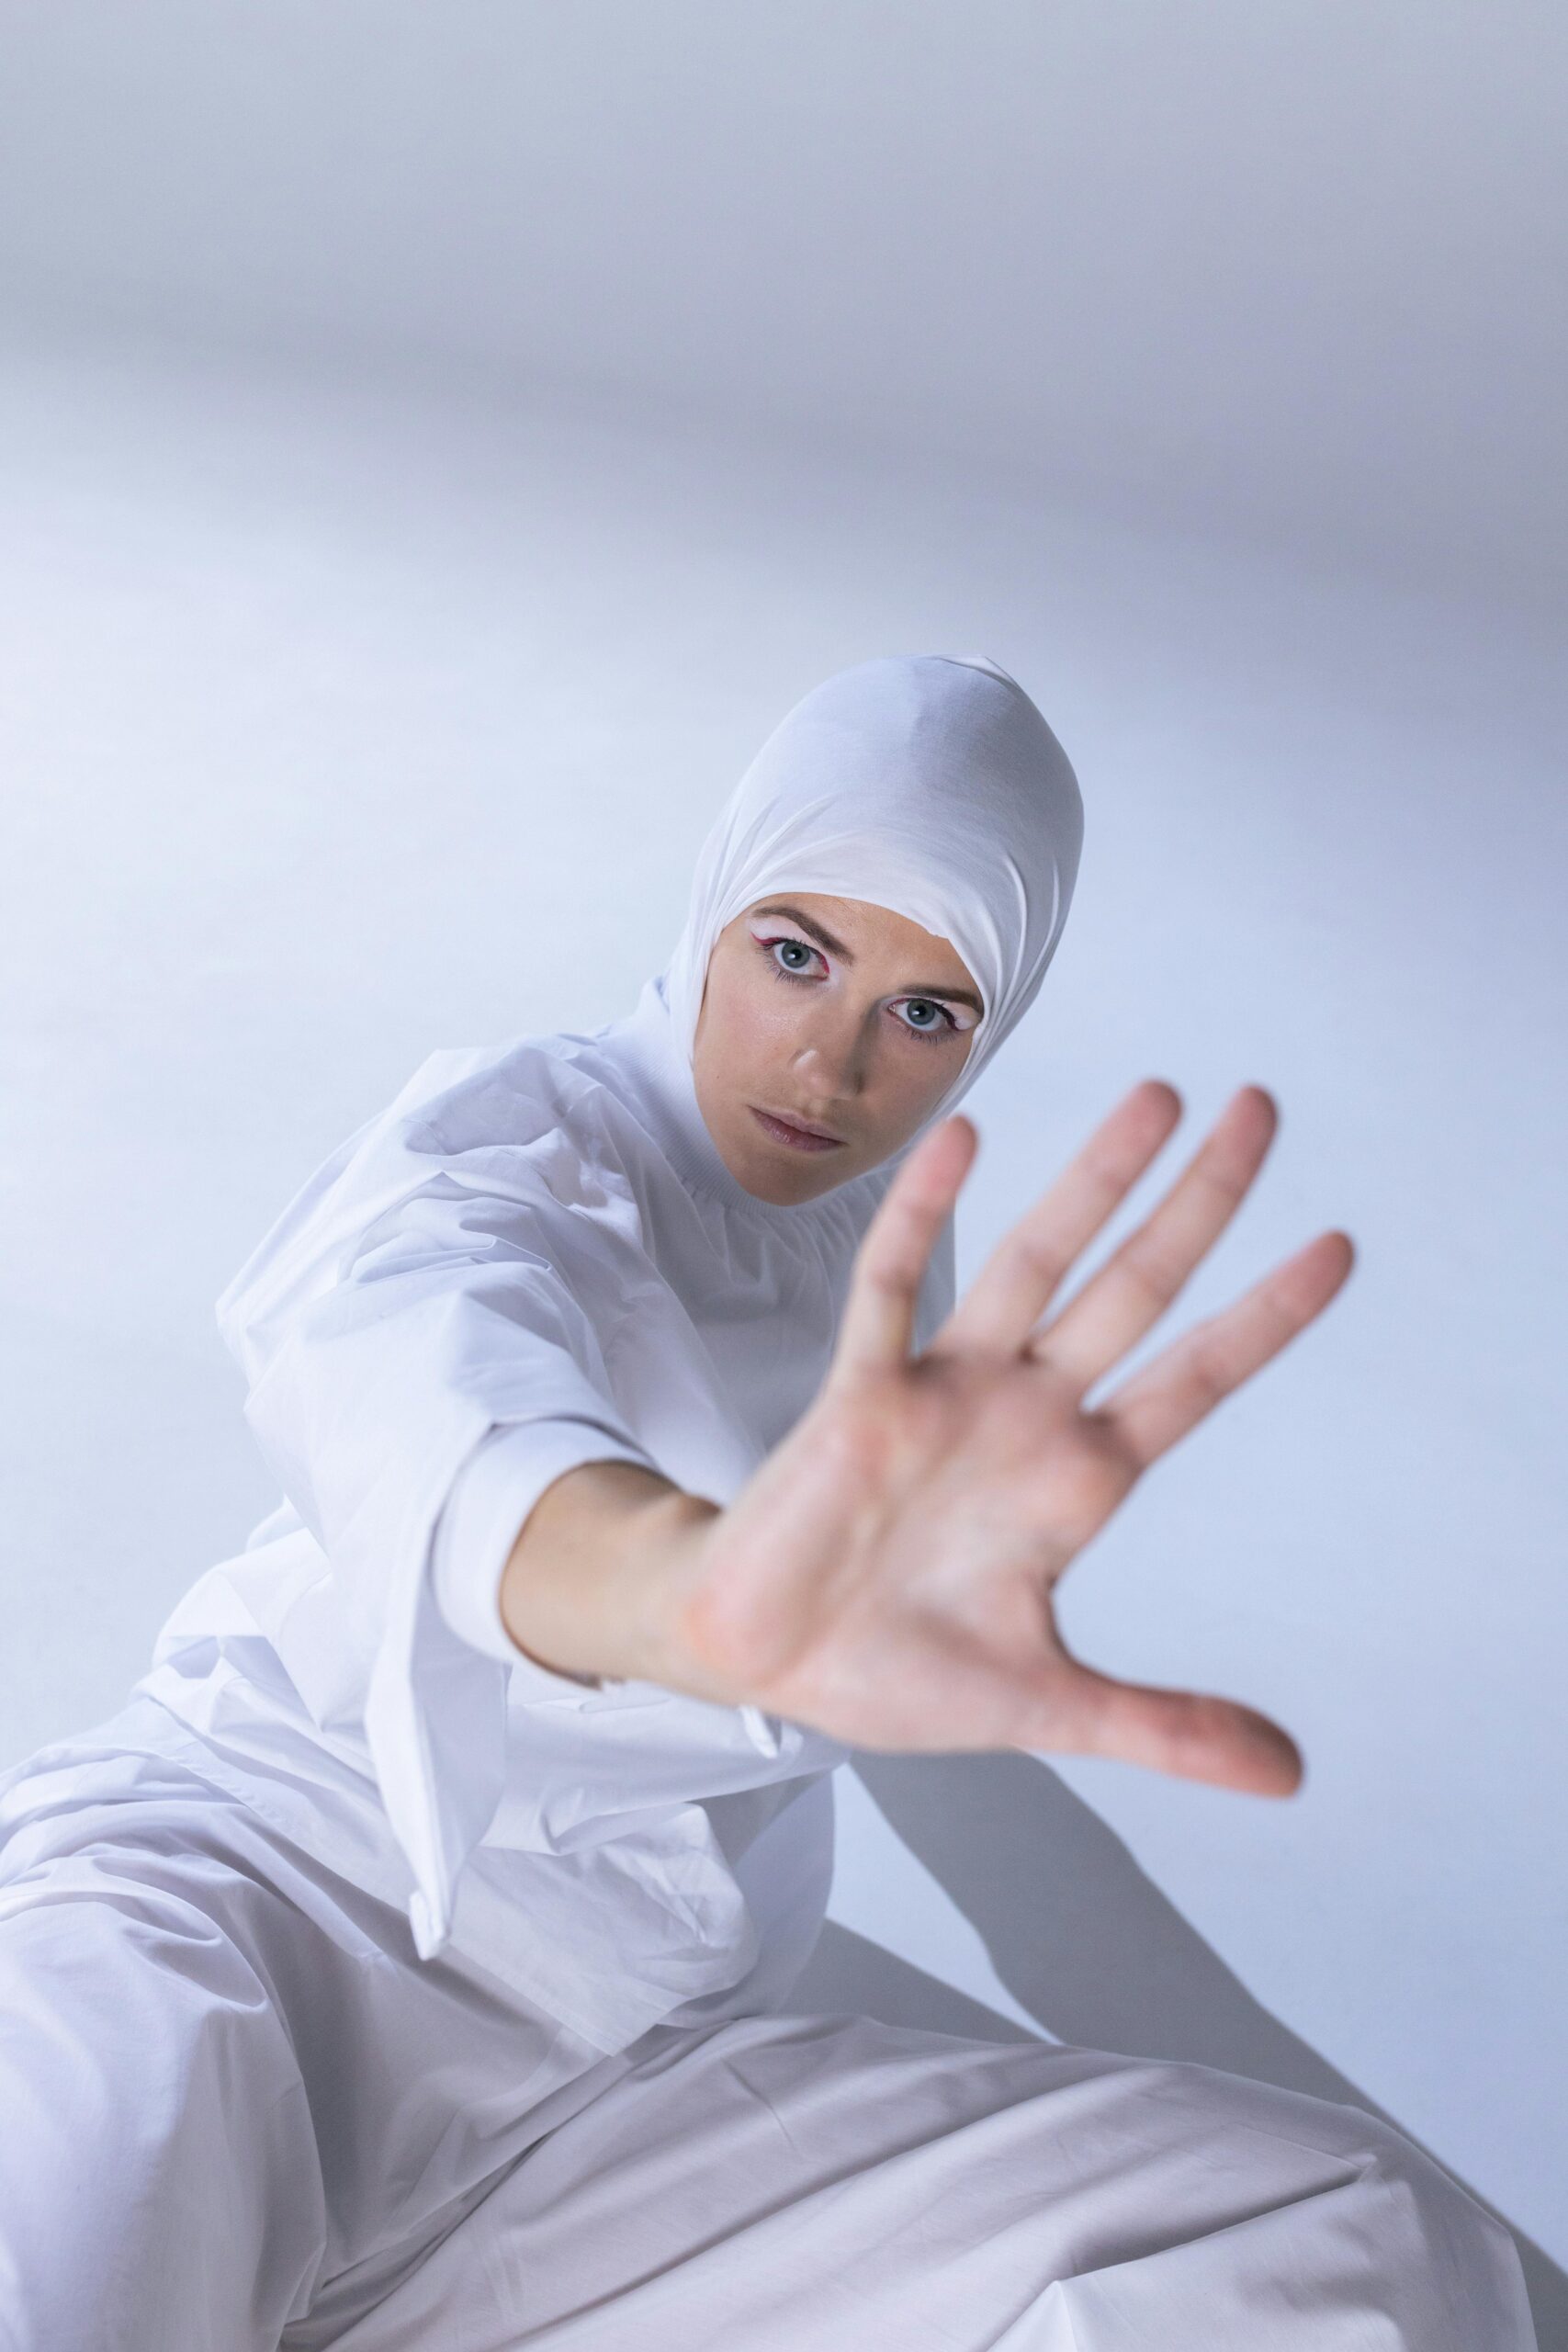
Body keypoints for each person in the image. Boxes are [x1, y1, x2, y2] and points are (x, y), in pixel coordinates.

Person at [0, 654, 1534, 2349]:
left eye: (926, 1009)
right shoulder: (519, 1151)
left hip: (602, 2092)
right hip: (241, 1921)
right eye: (797, 952)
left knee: (1367, 2246)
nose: (832, 1058)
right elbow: (413, 1374)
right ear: (719, 906)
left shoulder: (895, 1251)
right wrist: (689, 1602)